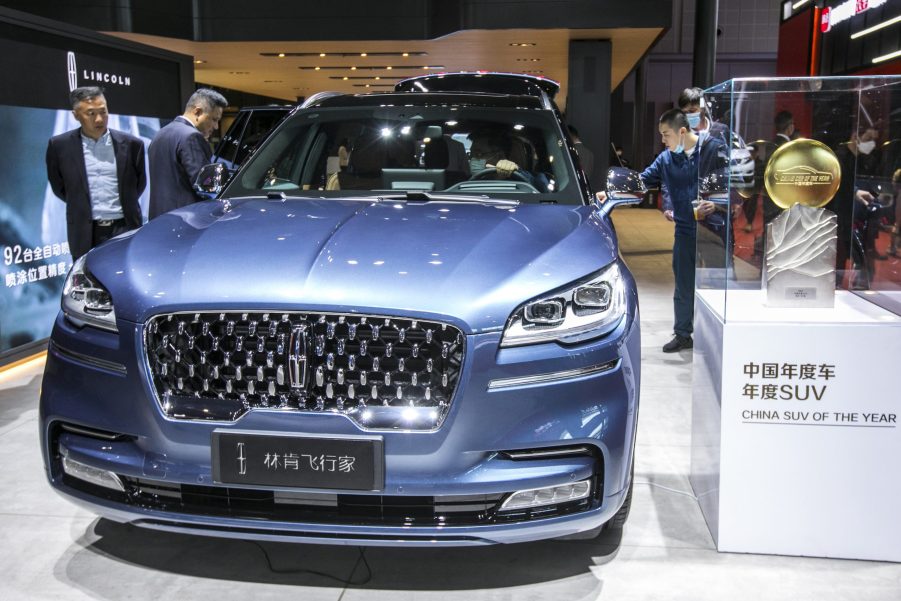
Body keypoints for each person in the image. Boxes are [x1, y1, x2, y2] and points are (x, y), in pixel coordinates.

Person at [599, 109, 726, 352]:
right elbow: (642, 180)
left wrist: (718, 204)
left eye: (666, 135)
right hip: (686, 229)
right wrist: (613, 192)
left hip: (715, 231)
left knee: (718, 283)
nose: (663, 140)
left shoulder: (713, 150)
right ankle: (683, 334)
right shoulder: (667, 159)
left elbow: (731, 182)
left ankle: (719, 335)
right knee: (683, 284)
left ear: (681, 131)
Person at [45, 86, 147, 261]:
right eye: (91, 114)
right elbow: (60, 187)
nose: (99, 119)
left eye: (103, 112)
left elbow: (139, 184)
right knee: (89, 281)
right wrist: (82, 204)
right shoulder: (59, 146)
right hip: (85, 231)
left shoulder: (132, 145)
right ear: (76, 115)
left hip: (124, 227)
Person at [148, 88, 227, 219]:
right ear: (197, 112)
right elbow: (206, 186)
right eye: (214, 119)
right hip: (185, 220)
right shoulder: (192, 137)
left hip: (158, 219)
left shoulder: (160, 134)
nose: (216, 126)